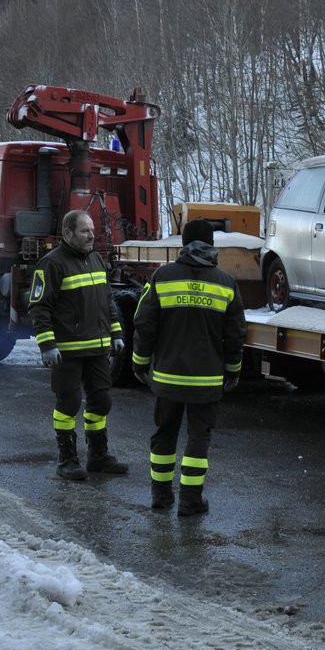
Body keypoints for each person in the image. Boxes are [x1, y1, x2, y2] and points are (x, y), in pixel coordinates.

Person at [130, 218, 247, 517]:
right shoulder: (226, 283)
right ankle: (191, 501)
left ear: (183, 244)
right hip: (207, 381)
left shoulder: (162, 277)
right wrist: (233, 370)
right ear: (211, 245)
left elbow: (144, 324)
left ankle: (160, 496)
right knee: (199, 437)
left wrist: (140, 363)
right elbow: (236, 335)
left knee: (165, 433)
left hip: (167, 378)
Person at [28, 209, 129, 481]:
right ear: (68, 233)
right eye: (85, 230)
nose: (91, 235)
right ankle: (67, 459)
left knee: (101, 400)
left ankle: (98, 456)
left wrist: (116, 333)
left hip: (97, 350)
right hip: (67, 353)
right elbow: (39, 308)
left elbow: (108, 302)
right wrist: (47, 346)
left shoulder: (96, 259)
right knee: (68, 402)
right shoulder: (51, 264)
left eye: (92, 230)